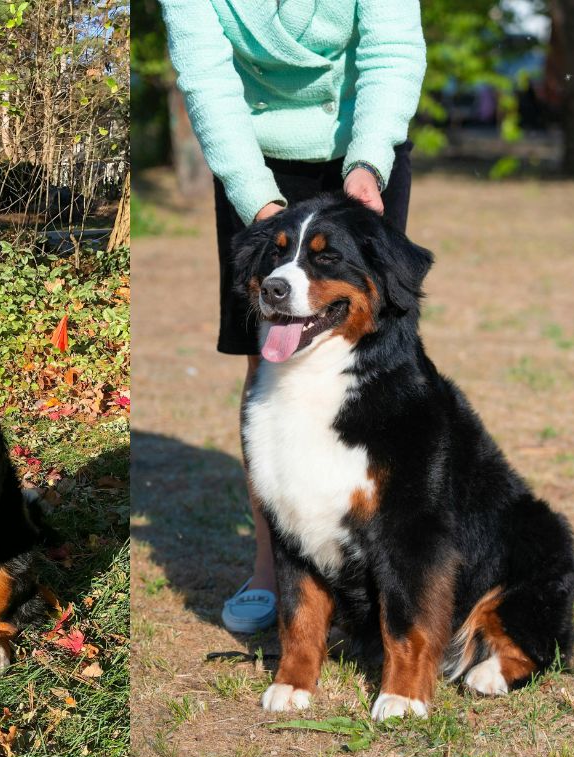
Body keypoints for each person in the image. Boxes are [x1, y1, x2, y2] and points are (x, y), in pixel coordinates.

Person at [159, 0, 426, 633]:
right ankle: (272, 564)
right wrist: (259, 202)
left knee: (373, 354)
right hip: (253, 158)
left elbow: (391, 50)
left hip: (365, 147)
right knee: (271, 361)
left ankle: (375, 554)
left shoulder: (369, 155)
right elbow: (206, 76)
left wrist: (368, 162)